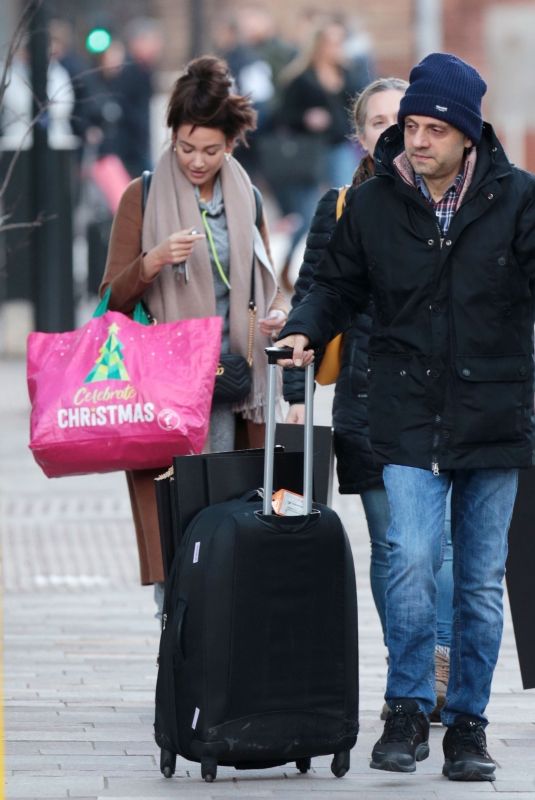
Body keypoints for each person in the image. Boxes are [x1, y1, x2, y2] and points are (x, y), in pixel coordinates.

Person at [277, 52, 535, 782]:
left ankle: (467, 727)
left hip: (493, 414)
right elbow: (331, 284)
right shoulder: (370, 204)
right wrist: (304, 327)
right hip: (406, 411)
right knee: (412, 561)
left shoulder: (517, 200)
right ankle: (404, 710)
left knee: (480, 581)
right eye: (410, 126)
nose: (416, 140)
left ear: (466, 136)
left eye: (432, 129)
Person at [283, 76, 454, 723]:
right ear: (358, 135)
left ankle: (435, 661)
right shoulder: (339, 207)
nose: (390, 131)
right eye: (377, 120)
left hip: (440, 406)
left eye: (400, 119)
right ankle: (410, 668)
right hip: (364, 404)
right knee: (392, 549)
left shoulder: (448, 201)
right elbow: (314, 297)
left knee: (437, 548)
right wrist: (297, 391)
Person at [100, 55, 288, 614]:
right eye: (187, 147)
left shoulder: (248, 196)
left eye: (212, 149)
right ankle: (177, 637)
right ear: (172, 137)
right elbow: (111, 296)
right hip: (168, 387)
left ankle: (222, 633)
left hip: (233, 381)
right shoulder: (143, 195)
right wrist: (152, 261)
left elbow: (268, 284)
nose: (198, 161)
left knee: (230, 511)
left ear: (231, 142)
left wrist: (276, 316)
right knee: (176, 512)